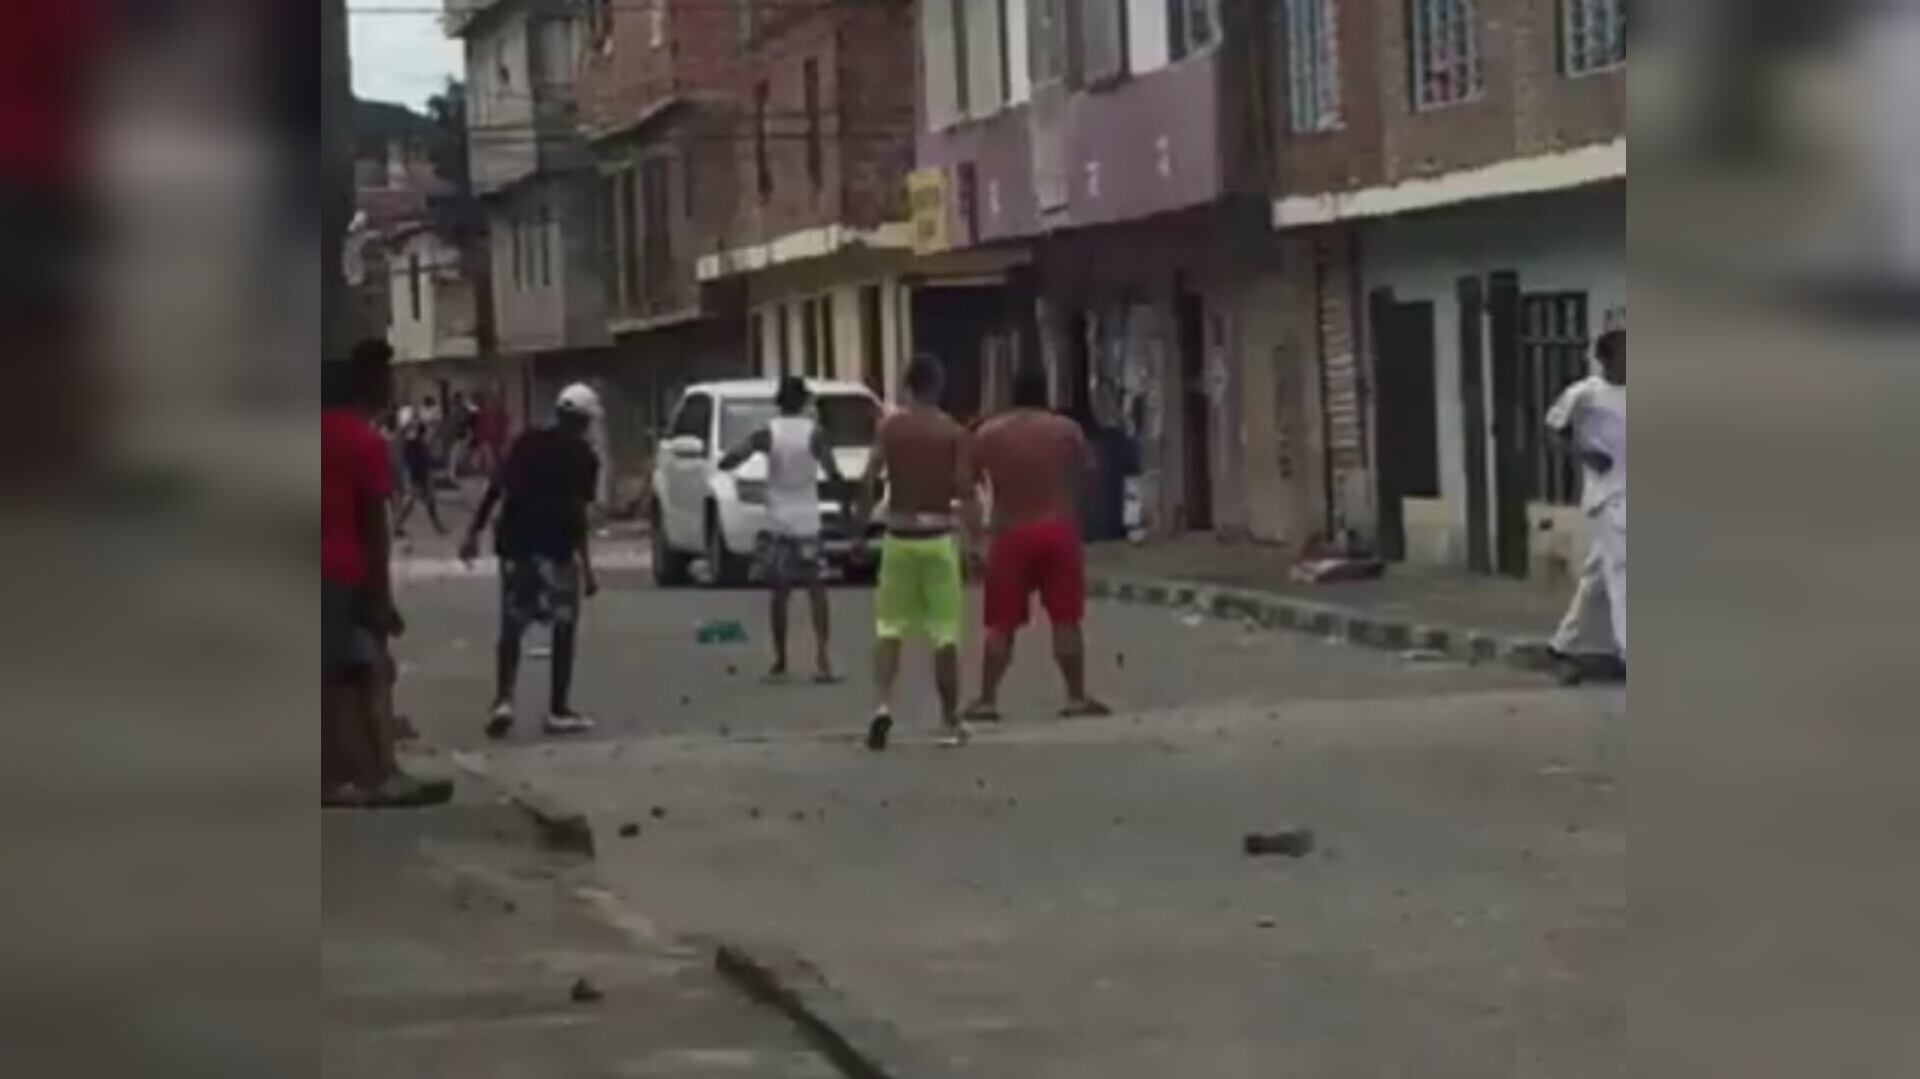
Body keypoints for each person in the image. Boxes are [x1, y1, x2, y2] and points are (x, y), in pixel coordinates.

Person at [322, 340, 451, 807]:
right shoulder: (361, 441)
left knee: (339, 677)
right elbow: (375, 529)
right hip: (340, 575)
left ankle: (353, 772)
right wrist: (382, 599)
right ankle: (371, 775)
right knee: (364, 673)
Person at [965, 365, 1111, 721]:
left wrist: (976, 536)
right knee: (1066, 618)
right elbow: (1091, 472)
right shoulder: (1066, 431)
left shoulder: (990, 434)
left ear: (1010, 398)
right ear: (1046, 396)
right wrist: (1073, 506)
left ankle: (987, 700)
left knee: (1001, 624)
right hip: (1057, 527)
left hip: (1011, 531)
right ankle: (1075, 697)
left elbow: (964, 482)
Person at [459, 383, 603, 738]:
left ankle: (503, 699)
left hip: (516, 546)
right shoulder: (585, 458)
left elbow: (497, 488)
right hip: (555, 550)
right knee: (563, 628)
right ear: (583, 421)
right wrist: (587, 567)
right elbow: (577, 514)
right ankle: (558, 708)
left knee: (512, 625)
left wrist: (473, 532)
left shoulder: (526, 442)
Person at [854, 354, 977, 749]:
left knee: (889, 628)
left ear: (908, 387)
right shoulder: (953, 433)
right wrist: (975, 540)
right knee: (944, 633)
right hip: (939, 536)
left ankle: (882, 707)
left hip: (899, 535)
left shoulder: (891, 429)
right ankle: (949, 720)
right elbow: (964, 488)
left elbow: (869, 479)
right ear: (938, 387)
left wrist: (858, 530)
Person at [719, 375, 846, 683]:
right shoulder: (814, 434)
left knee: (780, 594)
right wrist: (845, 506)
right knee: (817, 591)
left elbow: (737, 455)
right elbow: (832, 472)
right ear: (804, 402)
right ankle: (824, 658)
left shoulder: (769, 433)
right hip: (807, 522)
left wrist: (724, 463)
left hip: (778, 522)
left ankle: (780, 659)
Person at [1544, 326, 1626, 682]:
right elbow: (1551, 430)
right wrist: (1583, 453)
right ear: (1607, 359)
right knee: (1624, 569)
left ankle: (1563, 643)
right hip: (1606, 495)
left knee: (1596, 575)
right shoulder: (1586, 394)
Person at [393, 397, 446, 536]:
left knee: (421, 502)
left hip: (418, 473)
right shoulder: (413, 443)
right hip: (417, 473)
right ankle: (397, 526)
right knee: (419, 502)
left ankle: (398, 526)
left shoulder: (417, 442)